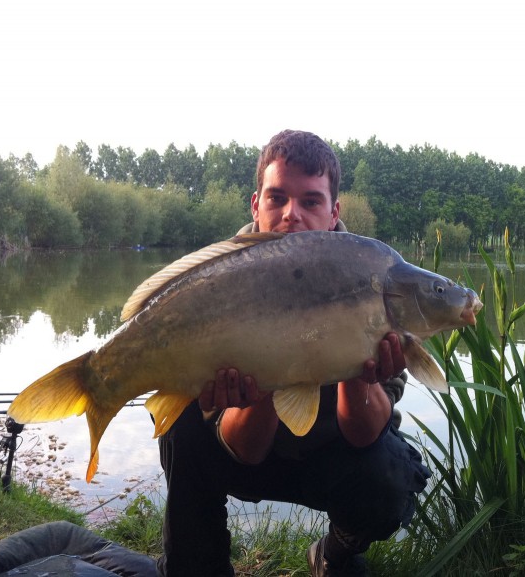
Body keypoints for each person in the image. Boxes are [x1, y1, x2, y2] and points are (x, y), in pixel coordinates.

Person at [157, 130, 430, 577]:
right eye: (277, 198)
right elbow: (244, 450)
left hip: (333, 459)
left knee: (390, 476)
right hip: (247, 453)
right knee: (180, 425)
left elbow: (364, 435)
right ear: (256, 205)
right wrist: (265, 377)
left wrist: (358, 371)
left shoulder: (379, 280)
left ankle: (333, 554)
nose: (291, 214)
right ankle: (198, 566)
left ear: (334, 212)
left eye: (310, 201)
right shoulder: (218, 282)